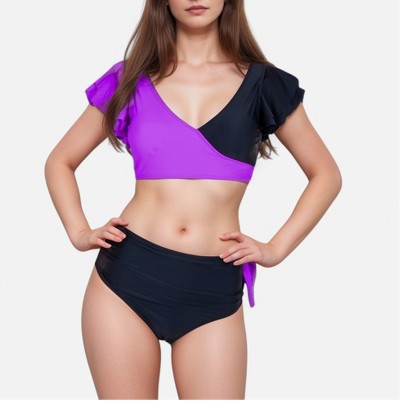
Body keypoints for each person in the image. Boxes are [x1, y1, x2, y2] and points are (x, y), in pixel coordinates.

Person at [44, 0, 342, 399]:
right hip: (125, 281)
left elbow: (326, 174)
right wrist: (79, 231)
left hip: (213, 288)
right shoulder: (129, 78)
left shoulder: (264, 83)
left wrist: (275, 249)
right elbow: (60, 162)